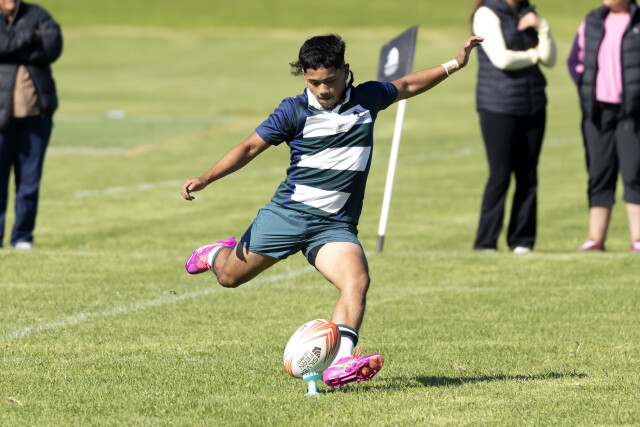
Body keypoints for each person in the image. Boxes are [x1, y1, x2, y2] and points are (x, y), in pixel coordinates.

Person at [181, 33, 483, 388]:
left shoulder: (367, 98)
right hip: (287, 215)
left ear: (346, 71)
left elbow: (407, 85)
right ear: (304, 76)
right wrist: (206, 178)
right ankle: (215, 253)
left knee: (357, 280)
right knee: (229, 277)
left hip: (334, 226)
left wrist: (455, 63)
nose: (323, 89)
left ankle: (341, 363)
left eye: (331, 80)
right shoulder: (293, 111)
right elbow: (249, 147)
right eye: (314, 82)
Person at [471, 0, 556, 253]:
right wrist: (534, 54)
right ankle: (485, 243)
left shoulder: (528, 12)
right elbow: (502, 59)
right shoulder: (486, 13)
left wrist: (543, 27)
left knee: (528, 175)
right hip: (498, 105)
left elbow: (550, 59)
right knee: (500, 175)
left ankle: (522, 241)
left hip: (534, 103)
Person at [568, 0, 640, 253]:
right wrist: (586, 88)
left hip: (632, 113)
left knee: (634, 173)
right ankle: (595, 239)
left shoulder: (637, 22)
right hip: (598, 112)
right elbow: (575, 61)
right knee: (599, 173)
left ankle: (638, 239)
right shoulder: (592, 21)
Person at [0, 0, 62, 250]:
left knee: (29, 181)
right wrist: (30, 36)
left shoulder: (37, 13)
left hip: (36, 117)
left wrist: (12, 48)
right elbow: (2, 44)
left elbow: (52, 46)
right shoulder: (29, 25)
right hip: (2, 119)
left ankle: (23, 236)